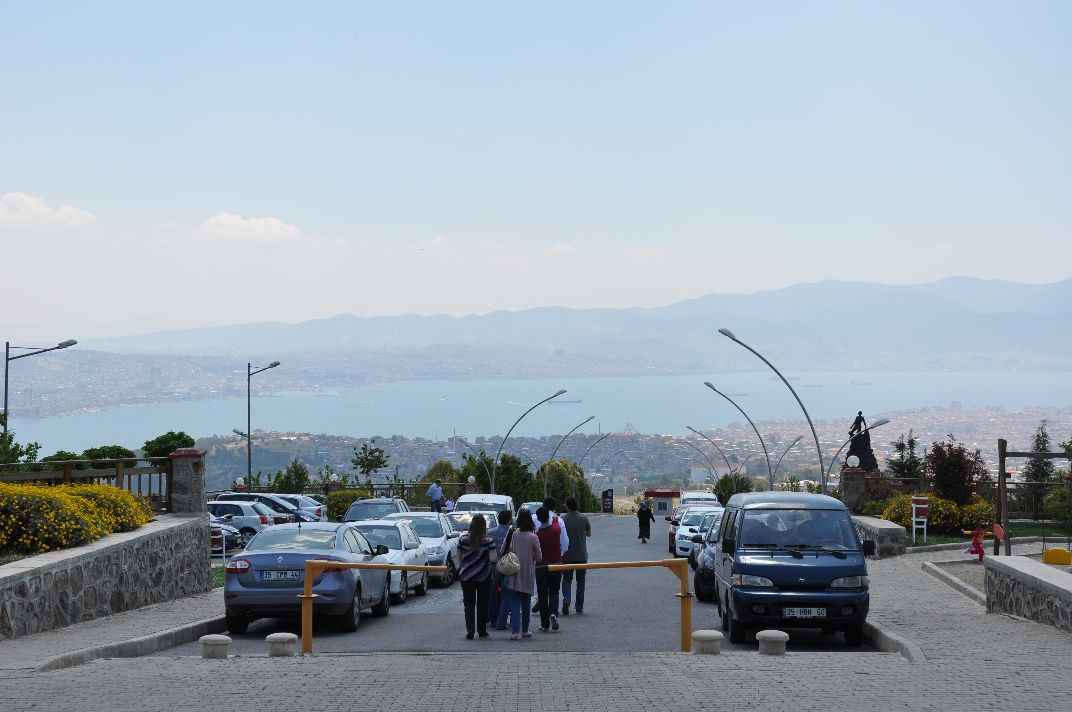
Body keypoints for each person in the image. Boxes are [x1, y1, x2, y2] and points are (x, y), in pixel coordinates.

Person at [504, 509, 541, 640]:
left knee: (514, 603)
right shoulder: (533, 537)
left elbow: (506, 549)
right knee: (526, 603)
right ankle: (525, 630)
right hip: (528, 573)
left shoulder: (514, 534)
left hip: (514, 571)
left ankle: (515, 632)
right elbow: (539, 556)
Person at [458, 512, 494, 639]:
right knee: (482, 604)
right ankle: (482, 630)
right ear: (484, 525)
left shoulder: (462, 539)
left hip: (466, 576)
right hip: (484, 576)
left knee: (468, 604)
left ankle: (470, 630)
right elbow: (493, 558)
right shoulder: (488, 541)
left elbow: (460, 558)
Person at [559, 496, 591, 615]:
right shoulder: (583, 518)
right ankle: (579, 606)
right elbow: (589, 534)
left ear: (567, 506)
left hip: (567, 556)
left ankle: (566, 600)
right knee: (580, 581)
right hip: (581, 555)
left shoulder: (562, 519)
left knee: (567, 579)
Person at [534, 506, 564, 632]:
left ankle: (544, 624)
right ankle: (553, 613)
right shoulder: (556, 529)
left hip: (540, 567)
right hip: (556, 565)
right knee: (554, 592)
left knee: (542, 595)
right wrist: (554, 516)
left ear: (539, 519)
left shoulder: (536, 535)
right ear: (548, 517)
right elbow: (556, 518)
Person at [487, 509, 513, 629]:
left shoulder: (490, 532)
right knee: (506, 593)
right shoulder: (511, 532)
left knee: (492, 594)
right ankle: (504, 619)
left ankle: (493, 619)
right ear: (509, 520)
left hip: (492, 566)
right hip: (507, 566)